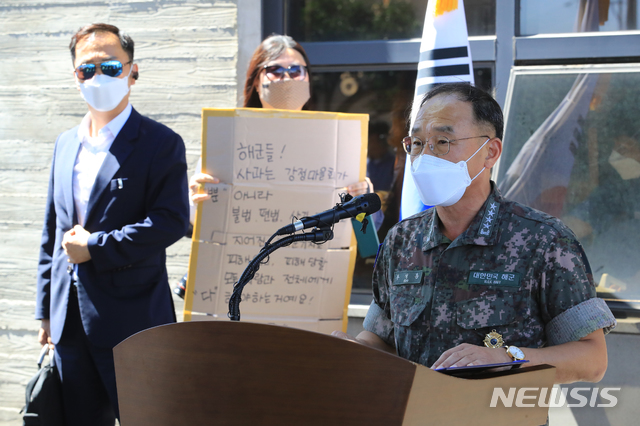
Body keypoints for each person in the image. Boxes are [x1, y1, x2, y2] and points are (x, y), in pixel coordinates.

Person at [333, 82, 616, 385]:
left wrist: (508, 359)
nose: (425, 156)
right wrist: (354, 350)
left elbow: (592, 360)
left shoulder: (544, 241)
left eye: (442, 142)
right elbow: (381, 338)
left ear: (490, 153)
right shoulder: (401, 240)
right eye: (416, 143)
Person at [35, 23, 189, 424]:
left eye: (110, 66)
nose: (97, 77)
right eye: (87, 69)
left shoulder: (160, 142)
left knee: (148, 417)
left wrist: (96, 246)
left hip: (133, 319)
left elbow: (171, 221)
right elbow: (53, 230)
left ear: (132, 72)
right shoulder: (65, 143)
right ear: (75, 76)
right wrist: (45, 311)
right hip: (68, 321)